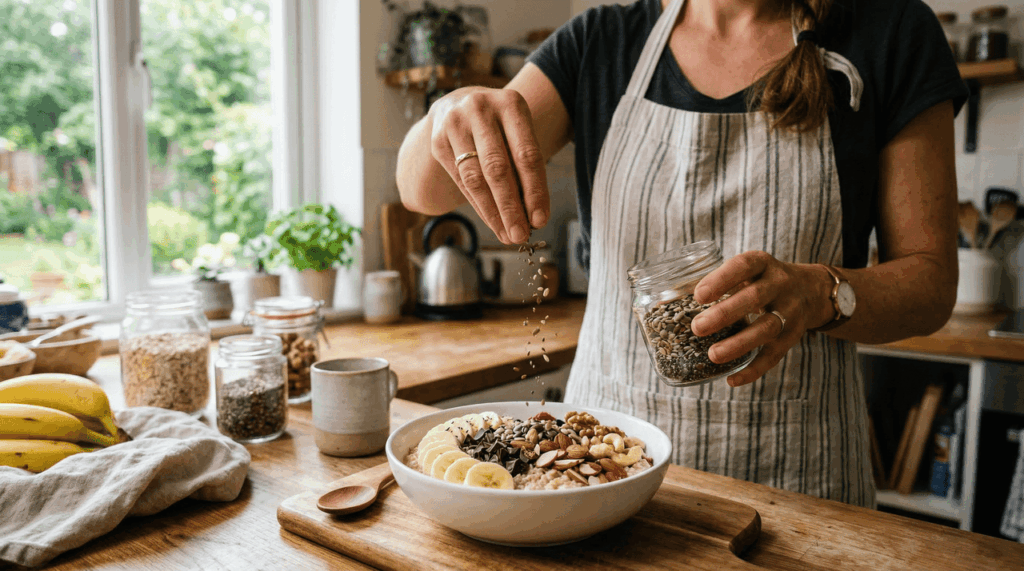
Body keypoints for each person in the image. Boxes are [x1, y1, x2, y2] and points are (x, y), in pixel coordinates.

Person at [396, 0, 967, 506]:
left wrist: (821, 294)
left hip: (797, 479)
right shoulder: (602, 41)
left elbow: (931, 284)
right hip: (593, 474)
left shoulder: (890, 29)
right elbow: (423, 191)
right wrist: (447, 113)